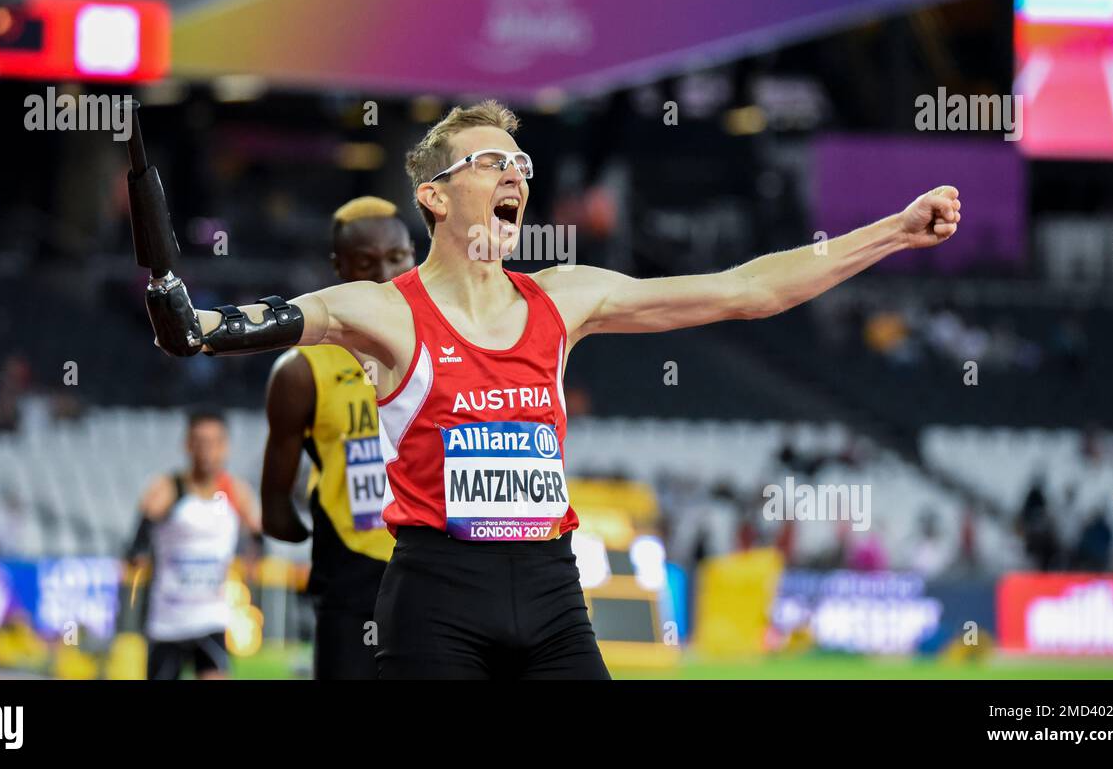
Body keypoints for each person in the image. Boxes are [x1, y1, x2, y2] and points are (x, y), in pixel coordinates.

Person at [134, 100, 962, 678]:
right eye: (490, 160)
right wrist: (190, 320)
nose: (515, 174)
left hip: (552, 593)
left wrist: (892, 230)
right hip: (435, 598)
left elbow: (746, 289)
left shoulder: (564, 297)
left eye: (520, 163)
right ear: (433, 195)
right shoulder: (386, 311)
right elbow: (246, 320)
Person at [261, 197, 414, 679]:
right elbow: (276, 503)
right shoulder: (302, 369)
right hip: (350, 571)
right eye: (367, 263)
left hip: (434, 565)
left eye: (398, 257)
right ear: (339, 267)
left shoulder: (451, 344)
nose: (385, 274)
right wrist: (282, 517)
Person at [127, 408, 261, 680]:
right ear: (188, 444)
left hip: (210, 617)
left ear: (225, 446)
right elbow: (137, 543)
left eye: (214, 443)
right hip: (168, 622)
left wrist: (253, 559)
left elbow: (258, 536)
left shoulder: (237, 492)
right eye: (200, 442)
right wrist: (137, 556)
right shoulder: (168, 488)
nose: (207, 451)